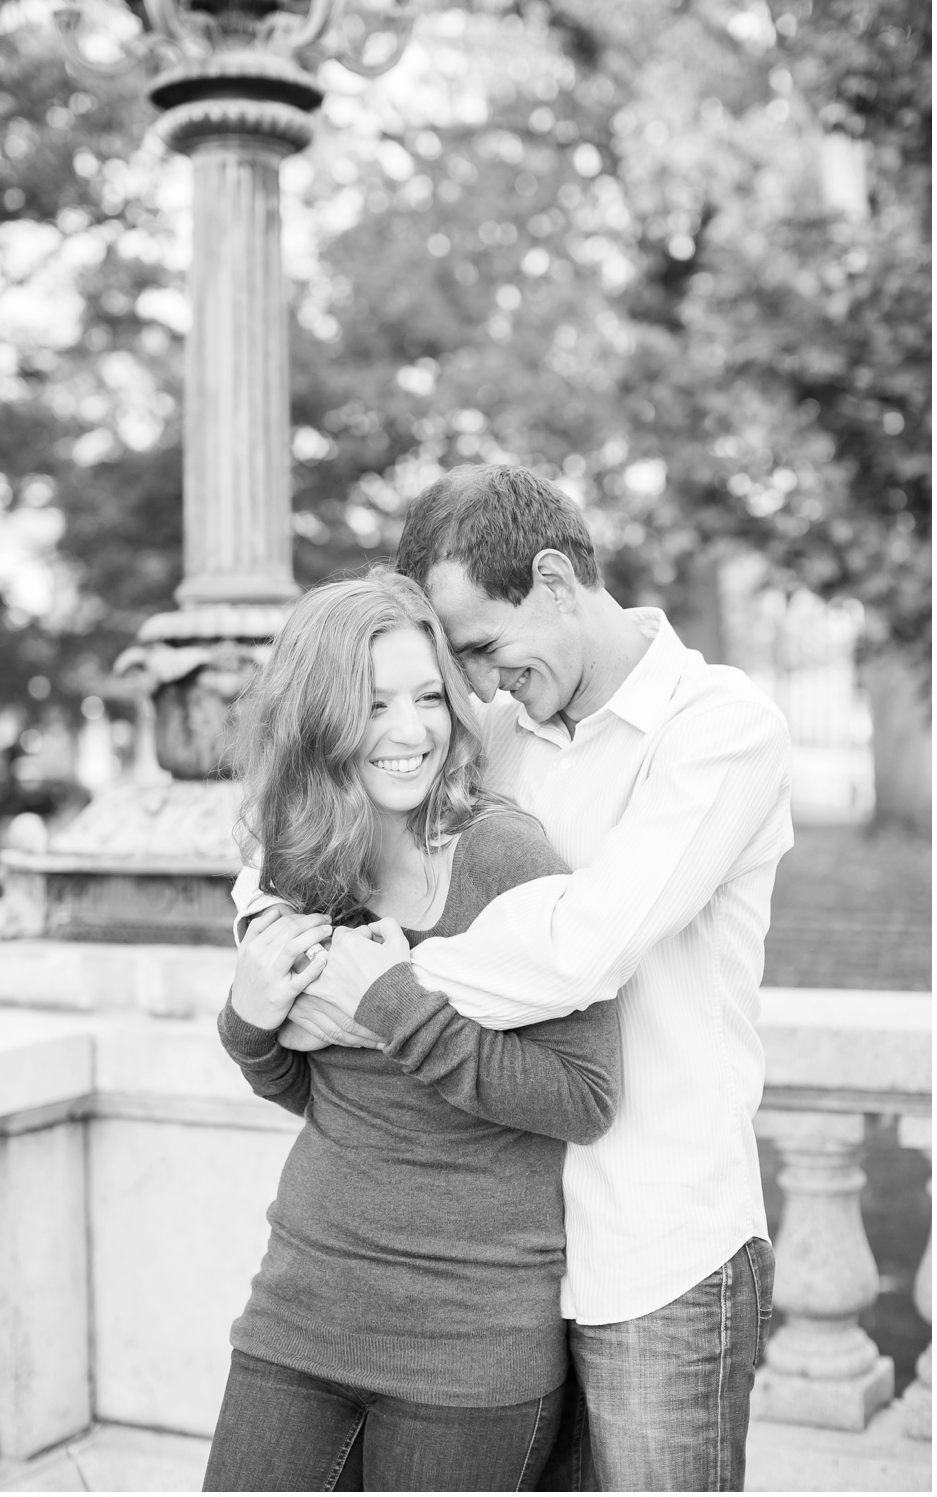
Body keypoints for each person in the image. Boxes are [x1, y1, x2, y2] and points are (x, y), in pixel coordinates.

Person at [244, 464, 793, 1491]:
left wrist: (374, 990)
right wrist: (274, 945)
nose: (479, 685)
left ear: (551, 577)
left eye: (482, 648)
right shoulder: (489, 737)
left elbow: (585, 943)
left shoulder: (718, 729)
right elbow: (310, 828)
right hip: (503, 1269)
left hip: (655, 1253)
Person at [206, 568, 620, 1492]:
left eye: (429, 697)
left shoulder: (506, 856)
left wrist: (394, 1004)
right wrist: (249, 1023)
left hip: (468, 1347)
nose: (411, 730)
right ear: (316, 721)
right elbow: (310, 1085)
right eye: (373, 703)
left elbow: (584, 1098)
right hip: (301, 1308)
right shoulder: (306, 855)